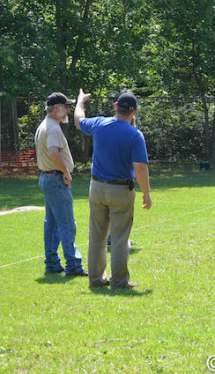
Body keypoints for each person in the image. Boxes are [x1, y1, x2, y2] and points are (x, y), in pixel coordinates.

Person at [74, 90, 151, 289]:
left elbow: (78, 120)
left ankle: (96, 279)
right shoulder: (135, 135)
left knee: (97, 236)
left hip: (96, 187)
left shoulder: (99, 124)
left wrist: (80, 101)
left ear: (116, 107)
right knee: (119, 237)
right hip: (121, 190)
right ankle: (119, 281)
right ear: (134, 112)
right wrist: (147, 194)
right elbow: (140, 168)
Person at [34, 92, 87, 276]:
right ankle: (73, 265)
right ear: (56, 108)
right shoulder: (54, 128)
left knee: (52, 224)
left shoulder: (44, 125)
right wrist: (66, 172)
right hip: (56, 179)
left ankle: (52, 263)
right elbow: (54, 153)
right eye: (65, 106)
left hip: (47, 178)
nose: (67, 110)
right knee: (67, 224)